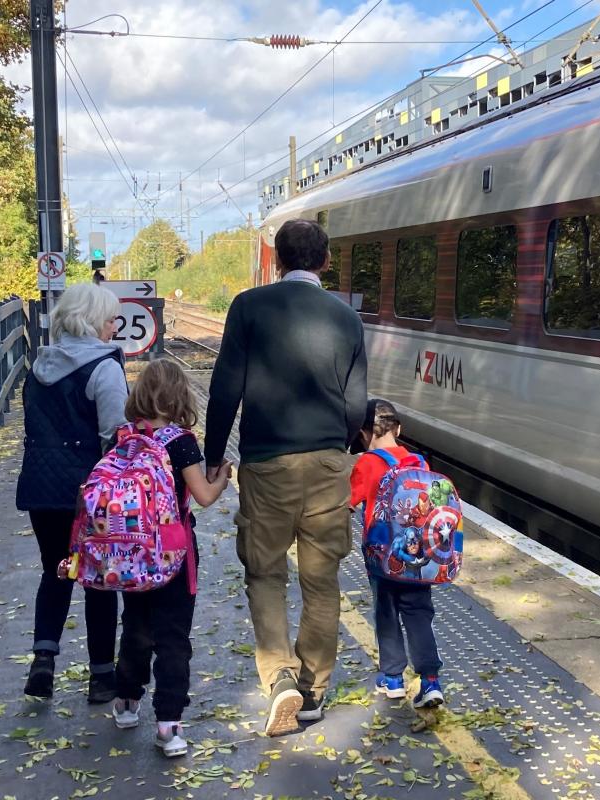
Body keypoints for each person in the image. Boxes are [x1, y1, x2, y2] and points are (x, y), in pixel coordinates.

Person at [203, 218, 368, 736]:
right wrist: (338, 452)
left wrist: (212, 456)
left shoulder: (249, 307)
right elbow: (357, 405)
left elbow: (225, 389)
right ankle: (315, 691)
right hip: (326, 464)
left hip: (266, 464)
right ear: (323, 262)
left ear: (277, 260)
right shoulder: (346, 318)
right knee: (321, 581)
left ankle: (280, 680)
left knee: (266, 573)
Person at [109, 360, 230, 757]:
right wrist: (223, 476)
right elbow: (205, 497)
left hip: (129, 552)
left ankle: (126, 702)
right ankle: (168, 725)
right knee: (173, 637)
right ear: (180, 396)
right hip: (173, 555)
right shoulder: (180, 441)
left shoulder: (121, 436)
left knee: (136, 627)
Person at [16, 282, 129, 703]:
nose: (114, 325)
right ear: (93, 321)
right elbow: (115, 435)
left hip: (43, 490)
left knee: (58, 569)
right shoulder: (104, 368)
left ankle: (43, 661)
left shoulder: (39, 364)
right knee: (99, 580)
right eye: (110, 318)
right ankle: (101, 676)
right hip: (89, 494)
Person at [349, 400, 444, 709]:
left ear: (363, 434)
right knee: (419, 613)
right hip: (418, 558)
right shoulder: (419, 462)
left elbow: (349, 502)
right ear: (399, 429)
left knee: (386, 613)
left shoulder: (366, 463)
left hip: (382, 559)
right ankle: (430, 681)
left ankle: (393, 680)